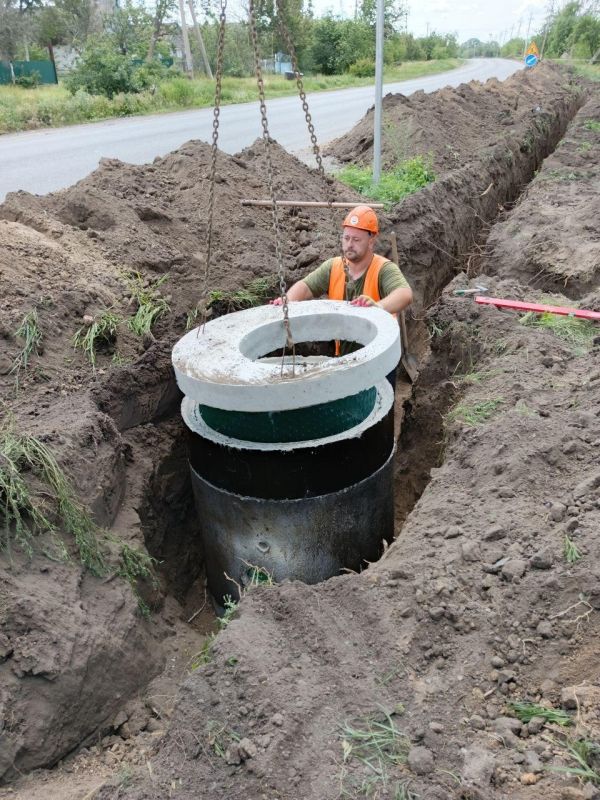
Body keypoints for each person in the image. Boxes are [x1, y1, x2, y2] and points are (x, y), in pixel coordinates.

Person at [271, 204, 413, 357]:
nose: (349, 245)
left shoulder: (383, 269)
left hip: (379, 355)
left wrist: (378, 307)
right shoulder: (334, 266)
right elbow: (305, 286)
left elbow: (404, 294)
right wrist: (289, 300)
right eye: (346, 238)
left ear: (371, 241)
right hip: (345, 356)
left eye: (356, 240)